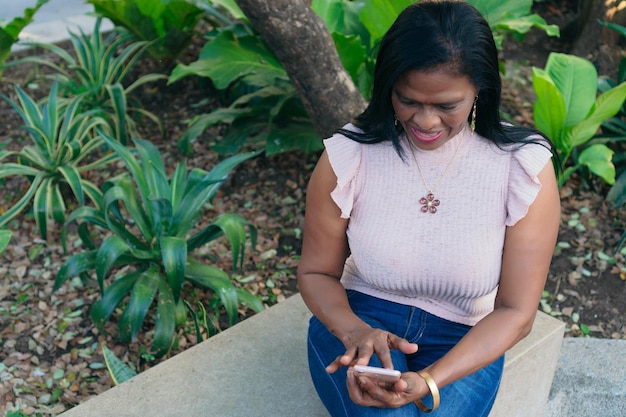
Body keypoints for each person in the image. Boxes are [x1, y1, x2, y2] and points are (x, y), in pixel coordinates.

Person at [296, 1, 561, 416]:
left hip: (464, 338)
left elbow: (516, 312)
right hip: (360, 315)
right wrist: (355, 332)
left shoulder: (521, 167)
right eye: (408, 100)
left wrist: (430, 380)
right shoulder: (350, 156)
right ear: (389, 87)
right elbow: (316, 272)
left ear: (480, 90)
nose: (426, 121)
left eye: (446, 105)